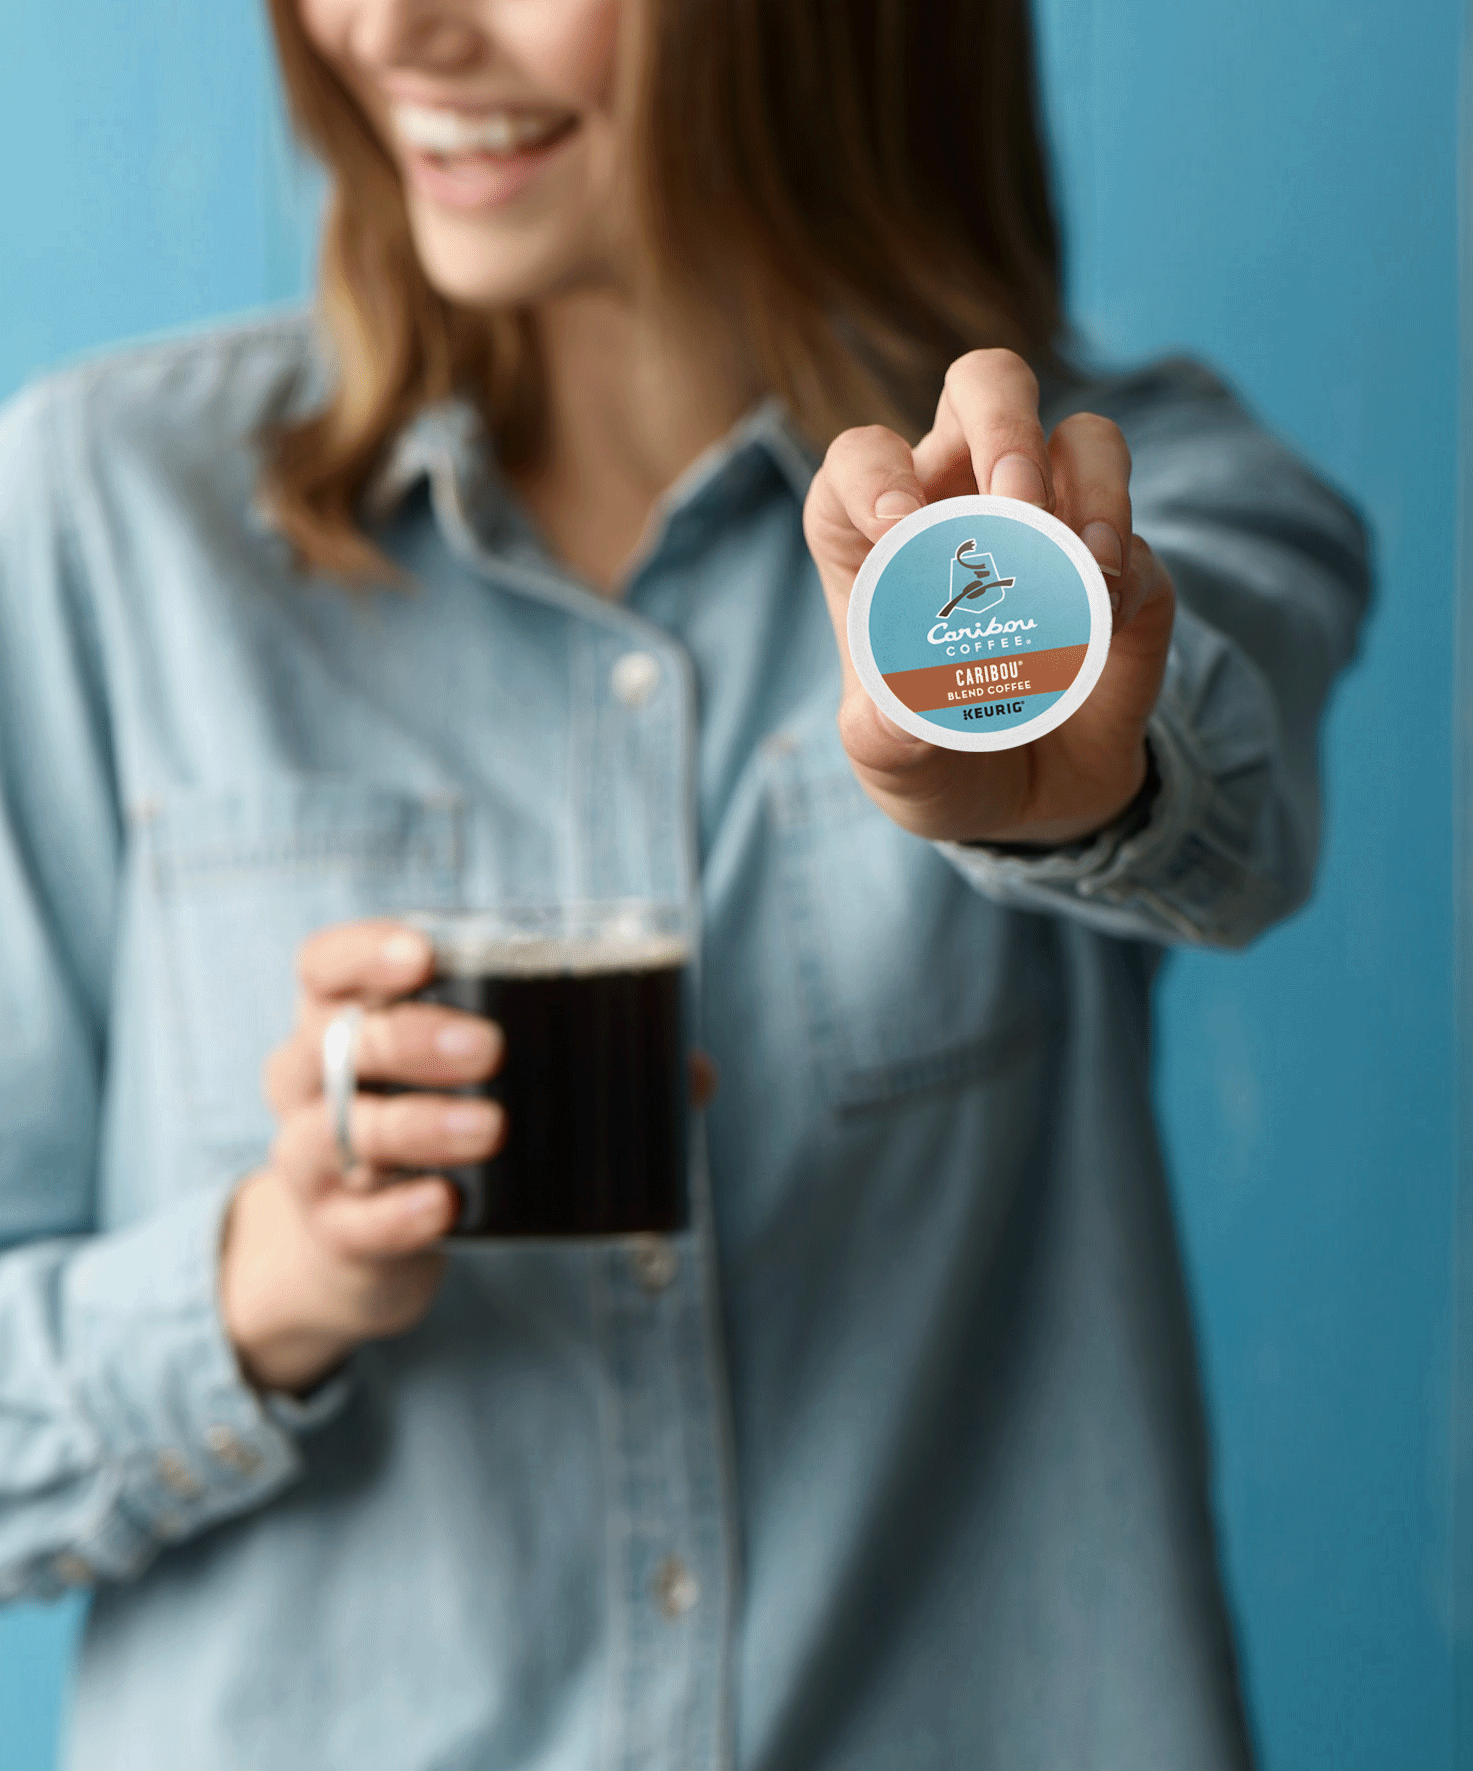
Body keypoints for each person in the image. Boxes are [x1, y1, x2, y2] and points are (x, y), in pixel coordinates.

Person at [0, 0, 1369, 1767]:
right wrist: (261, 1284)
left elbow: (1225, 811)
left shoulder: (1126, 515)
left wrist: (1076, 781)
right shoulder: (105, 515)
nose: (390, 31)